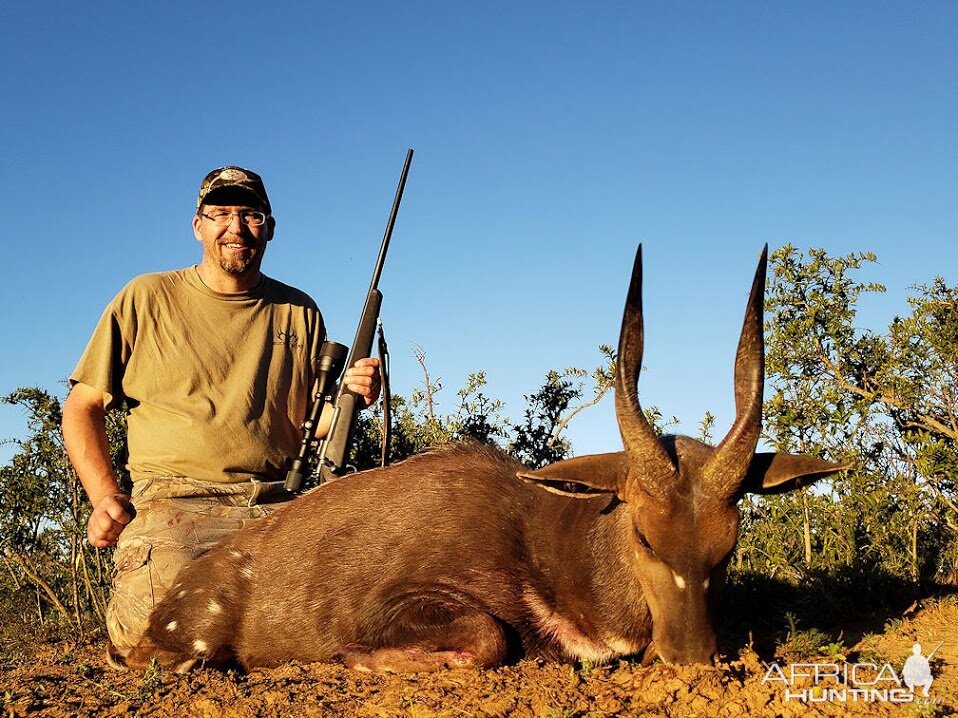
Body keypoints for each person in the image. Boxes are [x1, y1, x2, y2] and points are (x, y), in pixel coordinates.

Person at [62, 166, 381, 655]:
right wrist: (104, 496)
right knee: (154, 634)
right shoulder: (144, 297)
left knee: (364, 606)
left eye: (251, 214)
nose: (236, 227)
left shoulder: (300, 311)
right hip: (177, 505)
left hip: (277, 504)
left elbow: (310, 424)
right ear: (198, 226)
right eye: (222, 214)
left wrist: (353, 397)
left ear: (269, 228)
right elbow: (82, 408)